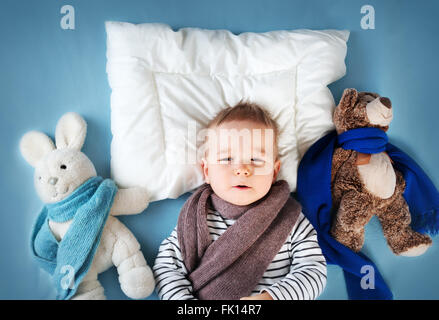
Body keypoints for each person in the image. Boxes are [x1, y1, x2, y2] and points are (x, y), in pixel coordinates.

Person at [153, 101, 327, 300]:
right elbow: (167, 269)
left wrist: (271, 297)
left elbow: (313, 270)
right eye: (227, 159)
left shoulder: (290, 219)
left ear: (274, 172)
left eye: (256, 159)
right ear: (207, 171)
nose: (242, 169)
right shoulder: (195, 218)